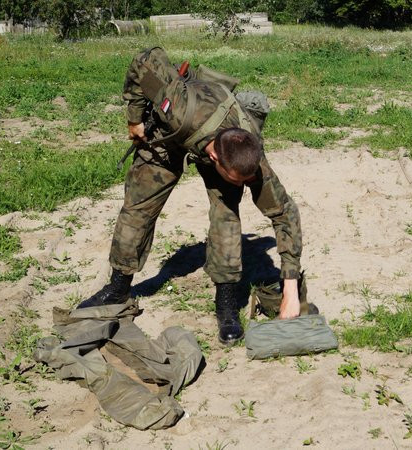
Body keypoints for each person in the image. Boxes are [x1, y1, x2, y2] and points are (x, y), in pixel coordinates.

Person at [77, 47, 310, 345]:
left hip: (216, 142)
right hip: (171, 136)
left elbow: (284, 213)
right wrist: (134, 119)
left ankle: (226, 304)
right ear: (214, 158)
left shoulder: (249, 158)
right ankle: (118, 286)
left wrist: (290, 289)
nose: (250, 183)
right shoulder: (178, 104)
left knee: (226, 215)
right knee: (138, 207)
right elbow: (145, 58)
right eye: (243, 180)